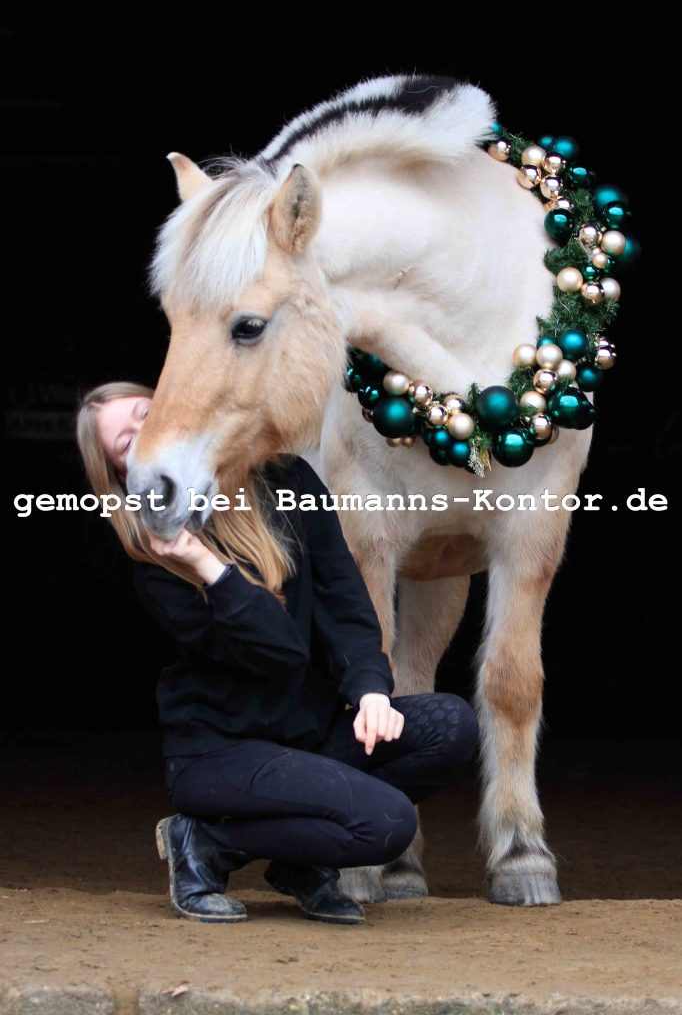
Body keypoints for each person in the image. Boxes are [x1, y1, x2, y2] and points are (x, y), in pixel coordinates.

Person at [75, 381, 480, 926]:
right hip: (222, 753)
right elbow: (279, 651)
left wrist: (369, 691)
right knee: (386, 824)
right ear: (125, 478)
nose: (147, 434)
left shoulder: (289, 480)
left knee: (450, 725)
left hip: (308, 736)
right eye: (127, 443)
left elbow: (345, 604)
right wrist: (207, 566)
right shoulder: (159, 565)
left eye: (148, 413)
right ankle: (205, 842)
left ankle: (298, 864)